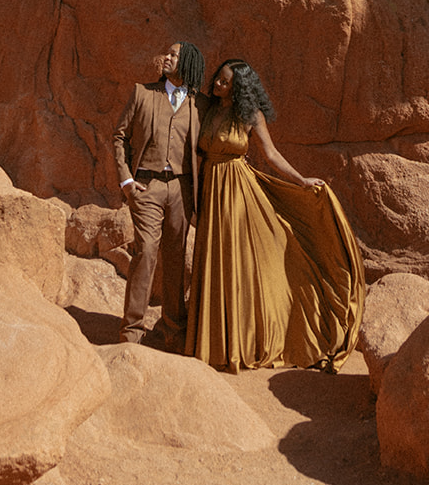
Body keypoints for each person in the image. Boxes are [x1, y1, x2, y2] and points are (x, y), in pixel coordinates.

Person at [185, 57, 365, 373]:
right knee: (215, 261)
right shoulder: (208, 108)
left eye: (225, 82)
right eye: (218, 79)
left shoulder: (249, 115)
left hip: (237, 192)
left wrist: (301, 180)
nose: (217, 85)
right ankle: (212, 341)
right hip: (211, 188)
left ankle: (241, 342)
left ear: (239, 87)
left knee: (237, 265)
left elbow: (271, 155)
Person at [112, 40, 209, 347]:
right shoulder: (143, 93)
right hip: (147, 185)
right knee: (145, 253)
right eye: (166, 52)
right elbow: (119, 137)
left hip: (182, 188)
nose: (166, 57)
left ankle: (173, 331)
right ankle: (133, 331)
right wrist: (126, 180)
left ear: (188, 63)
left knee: (177, 257)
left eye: (173, 55)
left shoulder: (201, 104)